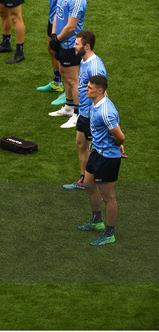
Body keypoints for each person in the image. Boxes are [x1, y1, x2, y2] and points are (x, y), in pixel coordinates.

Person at [78, 75, 126, 246]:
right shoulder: (97, 100)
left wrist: (117, 145)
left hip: (107, 158)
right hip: (96, 152)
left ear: (99, 90)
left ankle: (109, 233)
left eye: (90, 87)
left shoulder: (106, 112)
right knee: (88, 183)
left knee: (109, 197)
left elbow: (120, 136)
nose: (86, 89)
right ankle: (96, 220)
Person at [63, 31, 107, 190]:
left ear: (86, 46)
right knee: (81, 143)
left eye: (77, 44)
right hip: (84, 112)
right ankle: (84, 179)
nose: (74, 46)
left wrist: (98, 116)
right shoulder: (84, 60)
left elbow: (102, 93)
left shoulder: (95, 67)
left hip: (92, 115)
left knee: (96, 151)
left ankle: (97, 183)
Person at [48, 0, 87, 128]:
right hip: (61, 41)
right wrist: (54, 34)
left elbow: (71, 26)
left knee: (73, 80)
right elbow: (58, 14)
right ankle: (69, 107)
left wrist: (59, 39)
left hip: (71, 45)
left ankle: (78, 114)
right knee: (64, 74)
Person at [36, 0, 70, 95]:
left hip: (61, 21)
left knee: (63, 54)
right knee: (51, 48)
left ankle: (68, 88)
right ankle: (57, 82)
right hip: (52, 18)